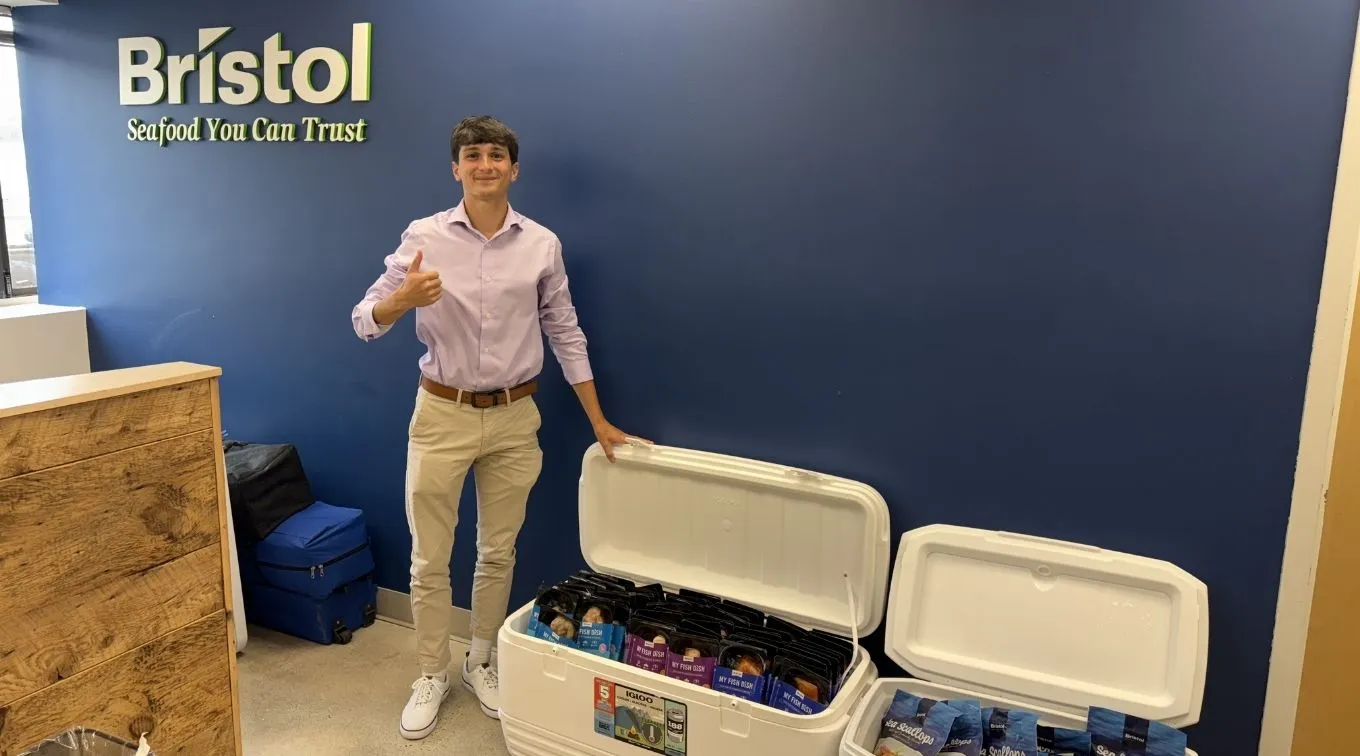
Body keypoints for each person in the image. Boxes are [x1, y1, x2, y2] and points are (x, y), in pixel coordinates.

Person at [351, 115, 642, 740]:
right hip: (441, 415)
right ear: (456, 168)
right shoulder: (423, 236)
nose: (485, 164)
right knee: (430, 558)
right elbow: (363, 319)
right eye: (473, 155)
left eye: (497, 156)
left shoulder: (541, 243)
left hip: (515, 418)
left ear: (514, 169)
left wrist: (598, 419)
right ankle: (431, 671)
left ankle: (481, 657)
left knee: (497, 550)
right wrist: (403, 300)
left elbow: (565, 330)